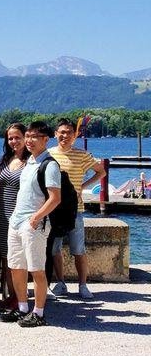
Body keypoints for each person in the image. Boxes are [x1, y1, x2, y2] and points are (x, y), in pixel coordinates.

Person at [2, 121, 61, 327]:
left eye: (34, 136)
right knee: (16, 267)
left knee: (36, 269)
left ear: (46, 139)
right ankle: (22, 308)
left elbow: (55, 198)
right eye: (27, 136)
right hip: (17, 222)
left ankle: (39, 312)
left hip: (33, 224)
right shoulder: (30, 163)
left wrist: (35, 218)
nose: (29, 140)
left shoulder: (50, 164)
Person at [48, 118, 106, 299]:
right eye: (61, 132)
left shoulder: (82, 155)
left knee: (79, 249)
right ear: (55, 134)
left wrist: (83, 185)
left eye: (68, 133)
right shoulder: (48, 155)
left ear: (75, 135)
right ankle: (61, 283)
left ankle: (83, 285)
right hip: (53, 210)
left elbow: (101, 171)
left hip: (75, 210)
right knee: (53, 249)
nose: (64, 136)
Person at [0, 123, 29, 308]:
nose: (14, 141)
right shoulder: (5, 159)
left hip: (21, 216)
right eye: (10, 138)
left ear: (25, 137)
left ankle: (20, 297)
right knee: (6, 257)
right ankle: (11, 295)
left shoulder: (32, 161)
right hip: (1, 215)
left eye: (17, 137)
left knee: (19, 258)